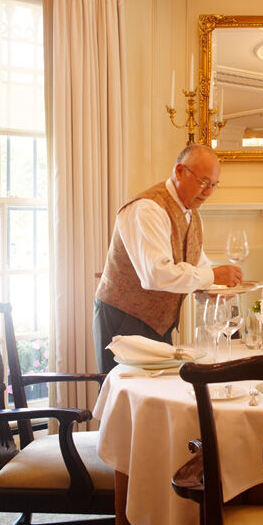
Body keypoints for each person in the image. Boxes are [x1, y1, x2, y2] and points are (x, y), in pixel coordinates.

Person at [93, 144, 242, 373]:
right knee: (129, 397)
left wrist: (213, 290)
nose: (208, 192)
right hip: (123, 319)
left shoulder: (191, 214)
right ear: (180, 171)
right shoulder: (147, 209)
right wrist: (213, 275)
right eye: (203, 183)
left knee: (159, 396)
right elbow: (156, 274)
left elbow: (197, 264)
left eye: (213, 185)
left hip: (160, 323)